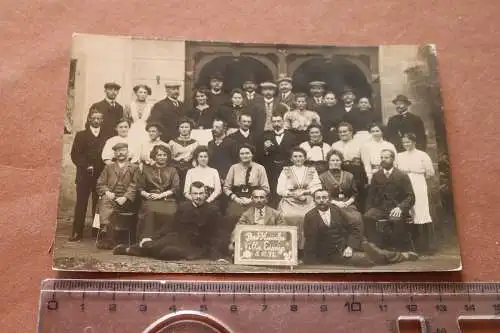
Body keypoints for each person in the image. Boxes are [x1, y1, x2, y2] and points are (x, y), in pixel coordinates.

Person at [113, 181, 223, 260]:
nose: (198, 197)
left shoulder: (212, 210)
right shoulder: (184, 207)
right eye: (195, 193)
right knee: (156, 244)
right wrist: (152, 237)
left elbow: (216, 234)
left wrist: (217, 256)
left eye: (201, 193)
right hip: (178, 237)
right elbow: (170, 225)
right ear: (190, 194)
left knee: (168, 252)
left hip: (196, 245)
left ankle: (139, 250)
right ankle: (128, 249)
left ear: (206, 194)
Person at [303, 189, 418, 265]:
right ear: (314, 200)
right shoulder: (310, 216)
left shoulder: (335, 210)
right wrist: (310, 260)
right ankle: (391, 257)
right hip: (334, 253)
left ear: (329, 199)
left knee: (371, 248)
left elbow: (354, 226)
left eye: (324, 197)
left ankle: (402, 256)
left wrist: (350, 246)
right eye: (318, 198)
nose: (322, 200)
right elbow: (310, 240)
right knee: (365, 260)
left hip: (347, 243)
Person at [363, 149, 415, 252]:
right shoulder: (377, 175)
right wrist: (369, 209)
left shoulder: (402, 175)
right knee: (368, 217)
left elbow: (411, 197)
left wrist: (400, 208)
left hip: (396, 208)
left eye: (386, 158)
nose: (383, 160)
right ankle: (376, 247)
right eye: (382, 157)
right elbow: (371, 196)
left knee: (394, 220)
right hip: (381, 208)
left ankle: (397, 249)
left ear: (393, 159)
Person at [68, 108, 107, 241]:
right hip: (84, 176)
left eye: (99, 118)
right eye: (94, 118)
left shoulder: (106, 135)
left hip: (100, 176)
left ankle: (96, 231)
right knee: (81, 203)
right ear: (89, 119)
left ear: (102, 120)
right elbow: (75, 155)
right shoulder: (81, 135)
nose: (96, 120)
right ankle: (77, 232)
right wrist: (86, 165)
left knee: (98, 204)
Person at [223, 144, 270, 247]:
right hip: (237, 199)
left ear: (252, 154)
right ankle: (233, 245)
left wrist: (251, 200)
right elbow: (226, 187)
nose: (245, 155)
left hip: (255, 200)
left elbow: (266, 189)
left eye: (247, 153)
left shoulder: (260, 168)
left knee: (255, 217)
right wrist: (236, 198)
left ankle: (252, 246)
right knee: (232, 216)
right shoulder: (234, 168)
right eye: (242, 153)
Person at [95, 142, 140, 249]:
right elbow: (100, 183)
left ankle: (106, 232)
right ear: (114, 154)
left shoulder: (134, 167)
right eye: (118, 151)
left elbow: (135, 185)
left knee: (106, 203)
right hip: (112, 197)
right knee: (105, 199)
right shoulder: (108, 167)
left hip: (127, 200)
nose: (121, 153)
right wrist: (107, 192)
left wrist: (125, 197)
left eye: (123, 150)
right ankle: (107, 231)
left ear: (128, 152)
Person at [396, 133, 435, 254]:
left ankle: (424, 247)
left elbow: (430, 172)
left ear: (414, 142)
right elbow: (396, 170)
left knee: (420, 210)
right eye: (404, 142)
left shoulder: (422, 155)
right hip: (404, 184)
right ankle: (410, 246)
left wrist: (416, 172)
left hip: (418, 183)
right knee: (408, 210)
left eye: (408, 142)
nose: (406, 144)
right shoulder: (399, 155)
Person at [276, 147, 322, 251]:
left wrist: (305, 192)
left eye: (300, 156)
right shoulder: (286, 170)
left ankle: (306, 249)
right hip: (290, 200)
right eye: (295, 156)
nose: (298, 158)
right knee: (286, 216)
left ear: (305, 158)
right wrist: (293, 194)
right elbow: (280, 189)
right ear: (291, 159)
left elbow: (317, 186)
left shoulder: (311, 170)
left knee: (309, 216)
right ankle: (288, 247)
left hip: (308, 200)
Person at [136, 145, 180, 247]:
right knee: (149, 211)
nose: (162, 157)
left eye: (164, 155)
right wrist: (147, 194)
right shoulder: (146, 169)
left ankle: (165, 240)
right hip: (150, 198)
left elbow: (175, 188)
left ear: (168, 156)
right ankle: (147, 240)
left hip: (167, 198)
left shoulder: (172, 170)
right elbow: (140, 188)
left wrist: (161, 195)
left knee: (172, 212)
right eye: (159, 155)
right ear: (154, 156)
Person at [228, 188, 284, 252]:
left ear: (266, 199)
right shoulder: (246, 214)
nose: (259, 200)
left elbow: (283, 230)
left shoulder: (276, 214)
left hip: (271, 245)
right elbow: (237, 229)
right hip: (253, 245)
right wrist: (234, 242)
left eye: (262, 197)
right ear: (252, 199)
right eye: (256, 197)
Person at [259, 113, 298, 204]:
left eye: (279, 121)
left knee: (286, 189)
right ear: (271, 123)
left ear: (283, 122)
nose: (276, 123)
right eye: (274, 121)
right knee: (272, 192)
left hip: (287, 168)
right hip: (271, 169)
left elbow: (295, 154)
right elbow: (261, 155)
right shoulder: (265, 136)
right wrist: (265, 149)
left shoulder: (292, 136)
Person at [319, 149, 363, 226]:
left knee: (357, 218)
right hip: (329, 204)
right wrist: (336, 203)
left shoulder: (349, 175)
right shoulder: (322, 177)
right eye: (332, 160)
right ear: (328, 162)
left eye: (337, 160)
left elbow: (354, 194)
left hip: (347, 204)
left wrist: (347, 203)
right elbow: (321, 195)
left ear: (341, 161)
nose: (335, 162)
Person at [331, 122, 366, 196]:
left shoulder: (360, 144)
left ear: (351, 132)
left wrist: (369, 176)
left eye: (345, 131)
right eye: (340, 132)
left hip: (356, 173)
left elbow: (366, 162)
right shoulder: (335, 145)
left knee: (357, 194)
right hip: (341, 172)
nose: (342, 134)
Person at [168, 118, 199, 187]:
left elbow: (195, 158)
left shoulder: (195, 143)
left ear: (190, 129)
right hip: (175, 168)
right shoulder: (172, 142)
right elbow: (169, 157)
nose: (184, 129)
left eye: (186, 127)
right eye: (182, 127)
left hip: (189, 167)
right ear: (178, 129)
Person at [123, 84, 152, 152]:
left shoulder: (151, 106)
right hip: (132, 132)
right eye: (140, 92)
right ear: (136, 93)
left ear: (147, 94)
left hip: (146, 132)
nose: (143, 94)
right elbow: (124, 120)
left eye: (145, 92)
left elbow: (152, 121)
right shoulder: (129, 105)